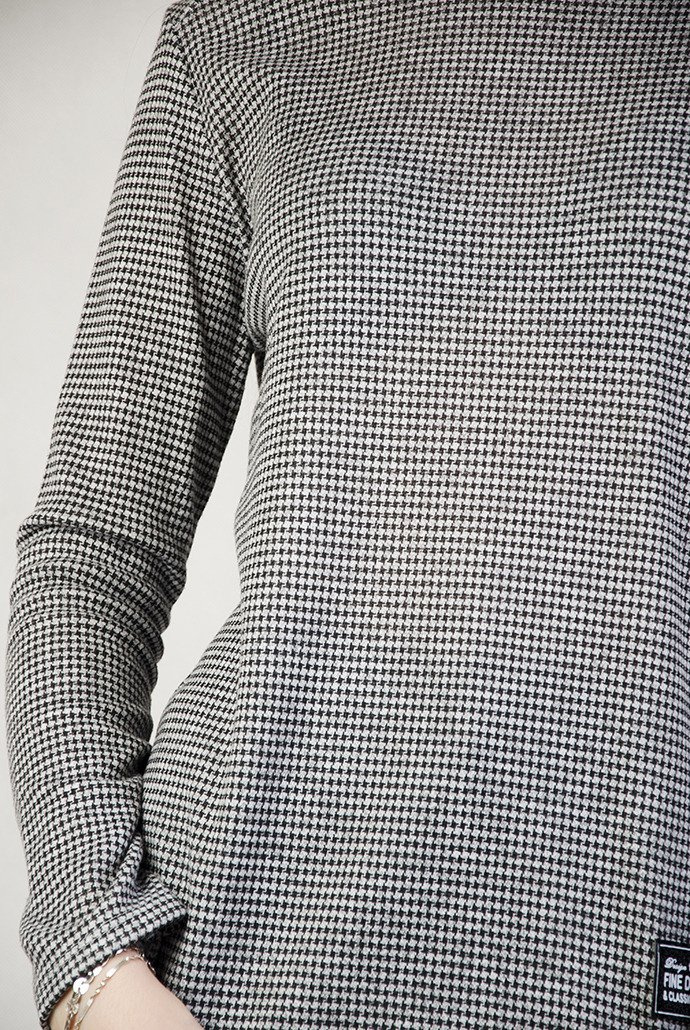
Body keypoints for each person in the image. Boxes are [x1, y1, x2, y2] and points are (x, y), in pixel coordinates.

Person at [6, 0, 690, 1027]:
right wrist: (96, 962)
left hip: (626, 965)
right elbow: (96, 548)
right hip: (244, 972)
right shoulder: (246, 28)